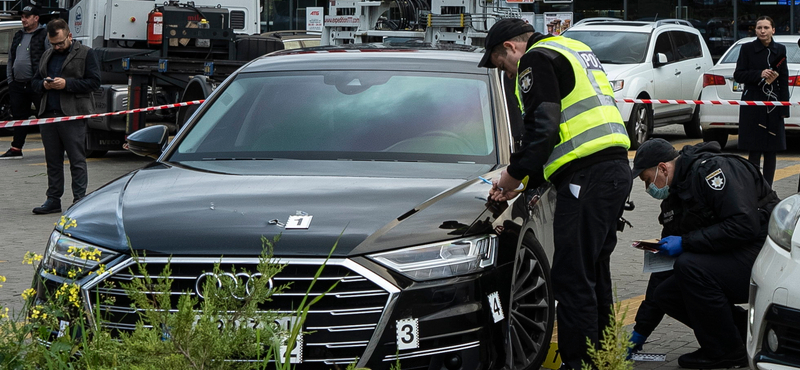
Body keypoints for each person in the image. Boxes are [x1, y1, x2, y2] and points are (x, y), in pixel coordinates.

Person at [478, 18, 632, 369]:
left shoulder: (535, 59)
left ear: (510, 48)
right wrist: (527, 181)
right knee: (593, 272)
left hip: (587, 174)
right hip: (611, 170)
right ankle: (603, 356)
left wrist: (511, 176)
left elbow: (543, 127)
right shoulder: (574, 48)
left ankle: (579, 362)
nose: (506, 73)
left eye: (502, 65)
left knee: (572, 275)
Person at [630, 138, 778, 369]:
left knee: (689, 267)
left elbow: (743, 225)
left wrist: (686, 242)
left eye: (647, 180)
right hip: (733, 255)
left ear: (662, 168)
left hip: (765, 257)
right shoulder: (676, 195)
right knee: (665, 293)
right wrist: (640, 330)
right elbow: (663, 266)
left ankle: (726, 353)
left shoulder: (713, 172)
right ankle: (740, 336)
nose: (647, 188)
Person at [31, 18, 101, 214]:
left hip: (73, 115)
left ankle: (79, 199)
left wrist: (67, 84)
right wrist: (43, 85)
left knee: (76, 160)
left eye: (61, 42)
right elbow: (34, 82)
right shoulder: (47, 54)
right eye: (53, 44)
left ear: (69, 35)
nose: (58, 47)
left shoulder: (87, 53)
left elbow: (94, 82)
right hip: (48, 115)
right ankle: (53, 199)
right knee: (52, 161)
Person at [733, 15, 789, 186]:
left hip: (773, 104)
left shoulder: (780, 50)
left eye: (766, 27)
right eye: (759, 28)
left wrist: (784, 107)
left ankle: (768, 188)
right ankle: (754, 187)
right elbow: (738, 75)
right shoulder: (747, 49)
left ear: (773, 30)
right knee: (755, 149)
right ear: (755, 30)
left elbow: (784, 78)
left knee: (772, 150)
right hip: (753, 103)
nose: (762, 31)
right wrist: (759, 74)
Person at [0, 4, 48, 159]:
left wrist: (43, 79)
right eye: (22, 17)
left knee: (44, 116)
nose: (23, 19)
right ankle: (16, 148)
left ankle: (51, 149)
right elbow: (11, 59)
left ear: (36, 18)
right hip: (17, 84)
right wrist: (11, 79)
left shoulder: (44, 34)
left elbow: (49, 58)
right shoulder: (18, 35)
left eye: (27, 16)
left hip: (36, 83)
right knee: (19, 118)